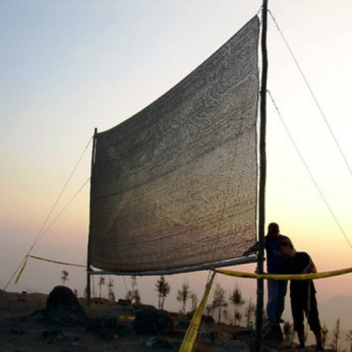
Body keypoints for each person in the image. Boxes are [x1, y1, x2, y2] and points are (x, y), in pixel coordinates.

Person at [277, 239, 324, 351]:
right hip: (295, 294)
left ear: (288, 246)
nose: (281, 253)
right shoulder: (286, 263)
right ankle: (301, 344)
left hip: (308, 293)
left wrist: (311, 270)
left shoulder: (304, 256)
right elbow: (278, 275)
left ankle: (319, 345)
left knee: (313, 319)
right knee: (298, 320)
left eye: (282, 249)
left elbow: (315, 270)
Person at [243, 222, 290, 325]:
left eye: (274, 233)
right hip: (272, 273)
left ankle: (278, 316)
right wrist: (248, 252)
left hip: (284, 273)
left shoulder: (284, 239)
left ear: (278, 231)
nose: (272, 235)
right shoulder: (266, 239)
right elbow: (257, 246)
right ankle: (271, 318)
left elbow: (291, 251)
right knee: (273, 295)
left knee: (281, 295)